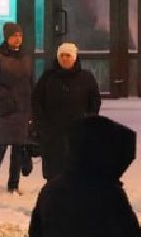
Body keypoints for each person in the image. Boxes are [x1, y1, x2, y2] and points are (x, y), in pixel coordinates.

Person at [31, 42, 101, 182]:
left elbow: (94, 101)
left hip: (78, 134)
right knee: (54, 173)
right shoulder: (48, 77)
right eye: (62, 55)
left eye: (68, 55)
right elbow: (36, 100)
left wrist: (88, 121)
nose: (65, 58)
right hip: (52, 135)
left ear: (74, 57)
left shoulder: (86, 78)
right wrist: (42, 125)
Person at [0, 21, 33, 195]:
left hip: (22, 108)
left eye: (20, 35)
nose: (18, 39)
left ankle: (13, 185)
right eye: (14, 35)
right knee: (0, 148)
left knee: (18, 148)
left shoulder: (25, 56)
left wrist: (31, 106)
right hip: (5, 109)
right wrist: (2, 93)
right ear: (7, 37)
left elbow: (29, 82)